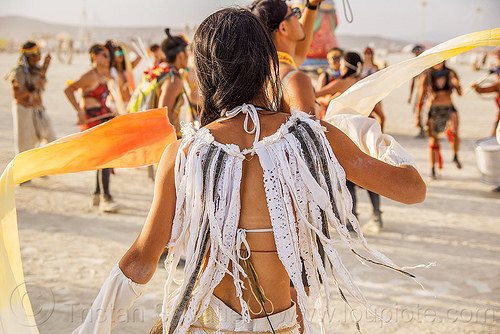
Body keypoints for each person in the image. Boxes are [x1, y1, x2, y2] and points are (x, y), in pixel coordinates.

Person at [72, 9, 426, 334]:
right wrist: (370, 135)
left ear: (207, 72)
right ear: (267, 64)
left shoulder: (185, 152)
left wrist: (88, 329)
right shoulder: (309, 139)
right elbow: (412, 189)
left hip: (203, 323)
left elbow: (140, 262)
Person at [316, 52, 385, 232]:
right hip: (365, 137)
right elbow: (380, 114)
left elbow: (315, 94)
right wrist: (378, 136)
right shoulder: (365, 84)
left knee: (348, 179)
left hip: (346, 135)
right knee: (372, 177)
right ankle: (377, 215)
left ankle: (352, 220)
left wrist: (328, 100)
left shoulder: (341, 83)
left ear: (346, 66)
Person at [64, 44, 120, 213]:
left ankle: (97, 193)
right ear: (94, 56)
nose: (108, 58)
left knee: (103, 157)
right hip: (92, 119)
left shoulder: (104, 75)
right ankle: (105, 198)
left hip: (103, 117)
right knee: (104, 157)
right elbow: (68, 90)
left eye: (108, 55)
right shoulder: (89, 76)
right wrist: (79, 111)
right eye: (104, 55)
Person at [250, 0, 324, 117]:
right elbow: (309, 135)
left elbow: (300, 51)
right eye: (294, 13)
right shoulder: (295, 79)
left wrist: (312, 6)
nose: (299, 18)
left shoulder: (262, 70)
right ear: (283, 28)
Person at [9, 41, 56, 169]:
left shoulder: (38, 69)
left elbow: (40, 80)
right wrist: (32, 87)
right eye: (37, 53)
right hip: (23, 110)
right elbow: (17, 95)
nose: (40, 55)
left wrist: (46, 65)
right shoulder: (19, 72)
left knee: (50, 137)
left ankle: (41, 168)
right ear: (31, 56)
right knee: (25, 144)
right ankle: (24, 175)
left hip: (39, 109)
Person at [416, 61, 463, 179]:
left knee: (455, 132)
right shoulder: (426, 75)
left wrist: (457, 85)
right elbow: (421, 97)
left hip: (448, 107)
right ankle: (432, 169)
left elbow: (460, 93)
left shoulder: (450, 73)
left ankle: (455, 155)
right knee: (433, 140)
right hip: (433, 109)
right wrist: (417, 117)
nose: (439, 62)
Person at [157, 28, 190, 138]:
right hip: (168, 138)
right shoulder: (173, 80)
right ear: (180, 55)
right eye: (187, 52)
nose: (188, 55)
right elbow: (163, 113)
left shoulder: (159, 70)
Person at [361, 47, 385, 132]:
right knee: (366, 116)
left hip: (374, 94)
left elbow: (379, 79)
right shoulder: (360, 66)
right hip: (364, 95)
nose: (368, 55)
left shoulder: (375, 66)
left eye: (369, 53)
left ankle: (381, 134)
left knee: (381, 116)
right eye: (366, 53)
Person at [471, 66, 500, 137]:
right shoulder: (498, 85)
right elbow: (480, 90)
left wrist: (475, 87)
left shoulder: (498, 85)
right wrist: (475, 87)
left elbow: (480, 90)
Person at [316, 47, 343, 118]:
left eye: (339, 58)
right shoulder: (325, 76)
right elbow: (317, 96)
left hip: (341, 112)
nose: (336, 61)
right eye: (334, 58)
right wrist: (328, 100)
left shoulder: (345, 76)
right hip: (327, 113)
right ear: (329, 60)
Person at [408, 44, 427, 138]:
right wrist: (410, 96)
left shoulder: (428, 64)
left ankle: (425, 130)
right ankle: (422, 130)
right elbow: (413, 81)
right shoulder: (416, 66)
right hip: (420, 91)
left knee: (425, 111)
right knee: (419, 111)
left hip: (427, 92)